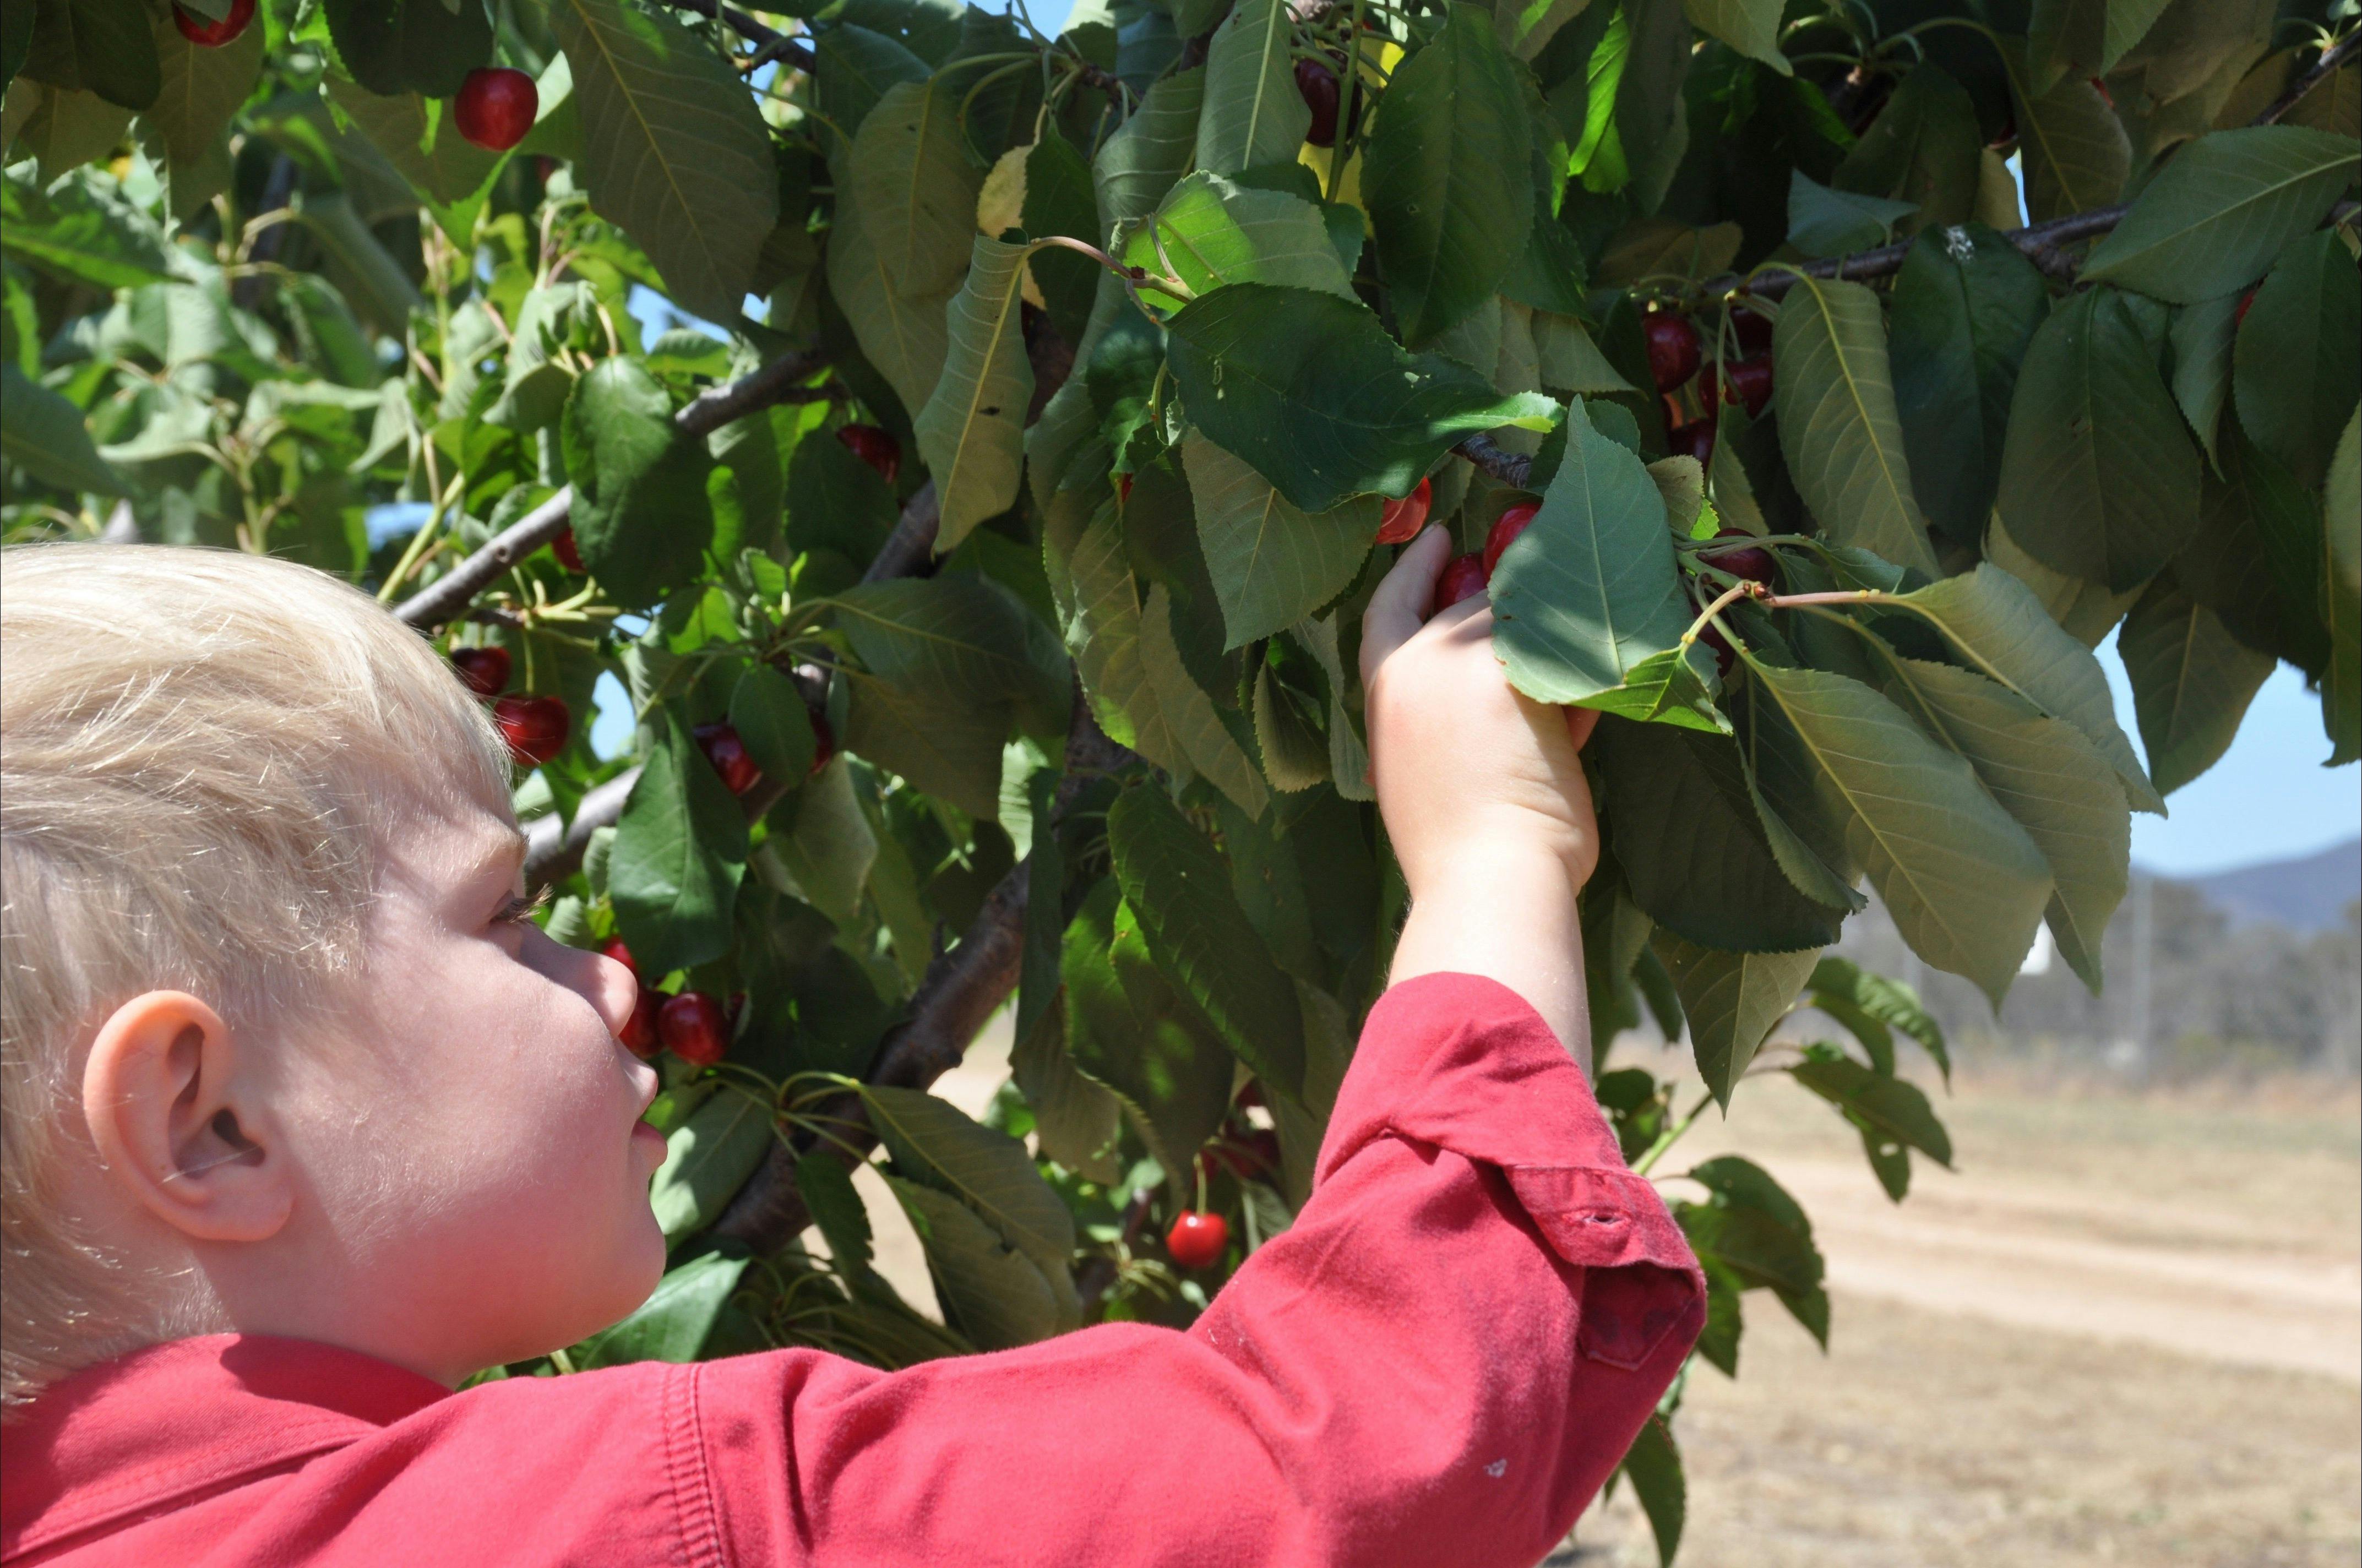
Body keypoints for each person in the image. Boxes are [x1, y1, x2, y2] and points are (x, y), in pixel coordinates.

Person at [0, 526, 1700, 1566]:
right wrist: (1494, 853)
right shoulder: (649, 1523)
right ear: (208, 1123)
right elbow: (1364, 1452)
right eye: (506, 918)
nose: (607, 980)